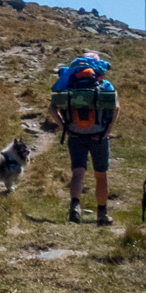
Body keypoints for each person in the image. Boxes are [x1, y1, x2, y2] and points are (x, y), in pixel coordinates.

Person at [51, 51, 118, 225]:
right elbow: (116, 108)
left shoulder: (70, 83)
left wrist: (64, 127)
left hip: (75, 133)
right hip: (99, 136)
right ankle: (102, 214)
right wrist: (107, 131)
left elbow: (52, 108)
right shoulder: (104, 83)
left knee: (78, 172)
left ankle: (75, 209)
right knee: (100, 174)